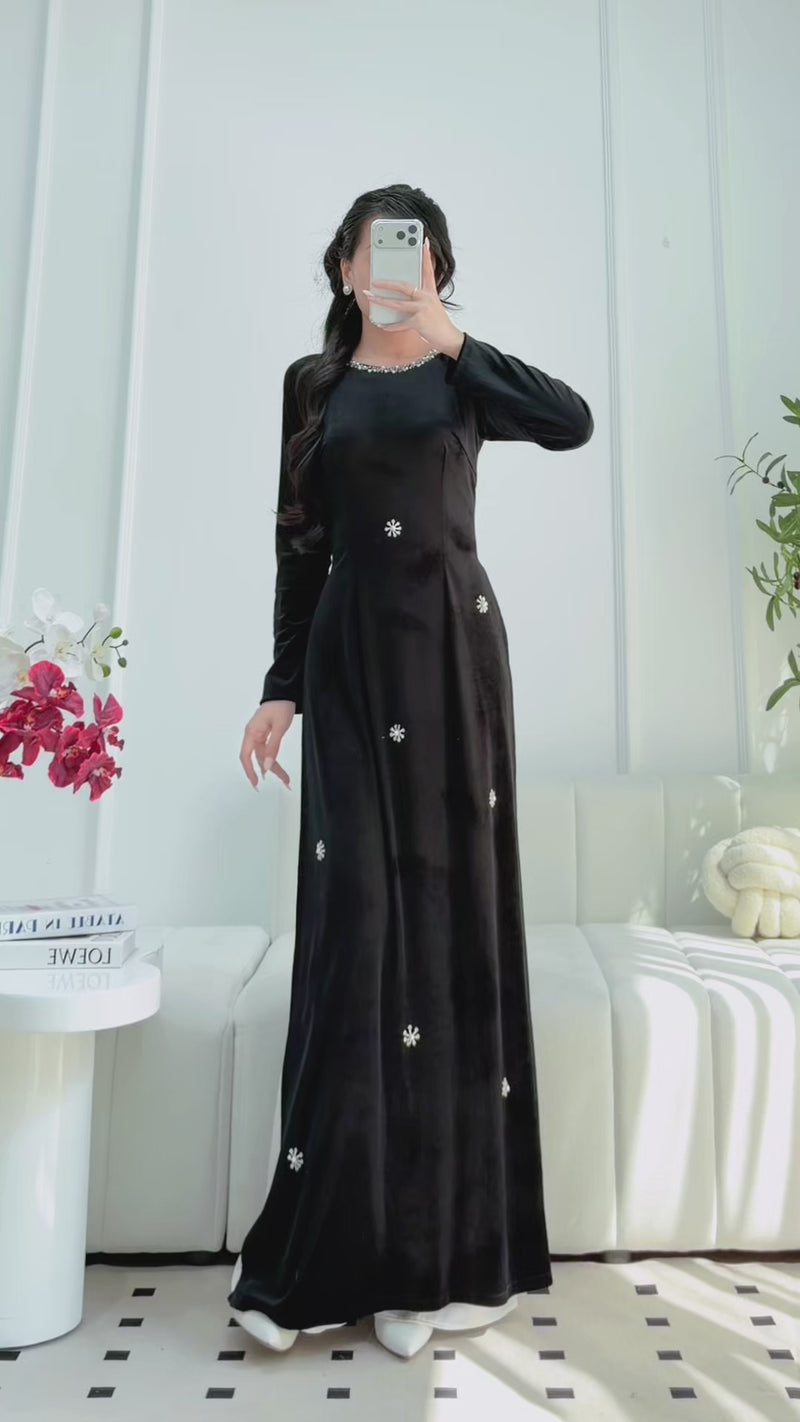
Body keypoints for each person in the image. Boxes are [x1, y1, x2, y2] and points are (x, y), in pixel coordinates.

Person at [231, 183, 593, 1360]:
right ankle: (321, 1264)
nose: (392, 268)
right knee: (354, 940)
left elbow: (572, 421)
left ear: (435, 269)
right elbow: (298, 545)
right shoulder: (312, 385)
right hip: (347, 672)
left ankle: (439, 1268)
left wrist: (451, 338)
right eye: (373, 251)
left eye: (416, 253)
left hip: (448, 668)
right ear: (342, 267)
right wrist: (279, 685)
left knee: (443, 940)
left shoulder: (461, 375)